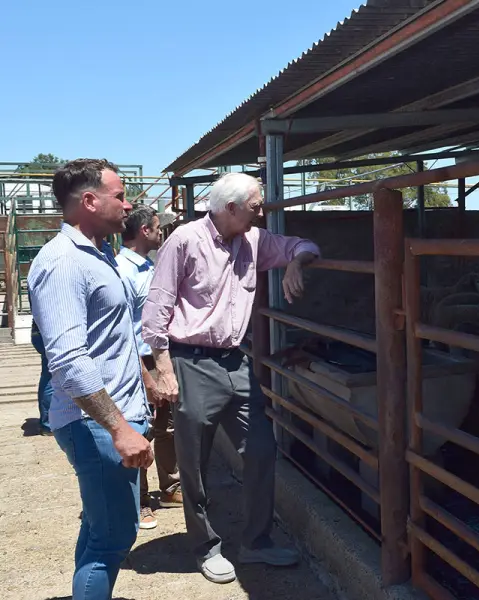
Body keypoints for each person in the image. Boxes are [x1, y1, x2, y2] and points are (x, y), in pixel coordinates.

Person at [142, 172, 320, 584]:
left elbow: (305, 244)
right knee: (195, 460)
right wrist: (164, 369)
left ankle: (255, 542)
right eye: (257, 205)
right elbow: (157, 308)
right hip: (190, 360)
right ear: (232, 208)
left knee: (260, 448)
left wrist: (295, 262)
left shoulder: (256, 240)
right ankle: (206, 545)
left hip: (235, 362)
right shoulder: (185, 240)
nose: (263, 211)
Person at [27, 158, 154, 600]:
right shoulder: (63, 263)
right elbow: (67, 359)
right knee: (112, 539)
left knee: (101, 528)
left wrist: (144, 380)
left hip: (108, 415)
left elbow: (111, 337)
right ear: (88, 200)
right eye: (120, 196)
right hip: (95, 423)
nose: (128, 204)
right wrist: (119, 428)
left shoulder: (98, 254)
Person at [115, 204, 183, 531]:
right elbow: (123, 331)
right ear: (144, 231)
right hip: (138, 361)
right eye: (157, 228)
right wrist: (146, 377)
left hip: (158, 356)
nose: (160, 232)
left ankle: (170, 488)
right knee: (140, 428)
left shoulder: (148, 266)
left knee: (166, 425)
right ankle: (140, 501)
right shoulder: (122, 272)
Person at [29, 312, 54, 436]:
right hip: (47, 333)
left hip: (39, 332)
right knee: (50, 378)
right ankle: (48, 424)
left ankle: (47, 422)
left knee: (48, 377)